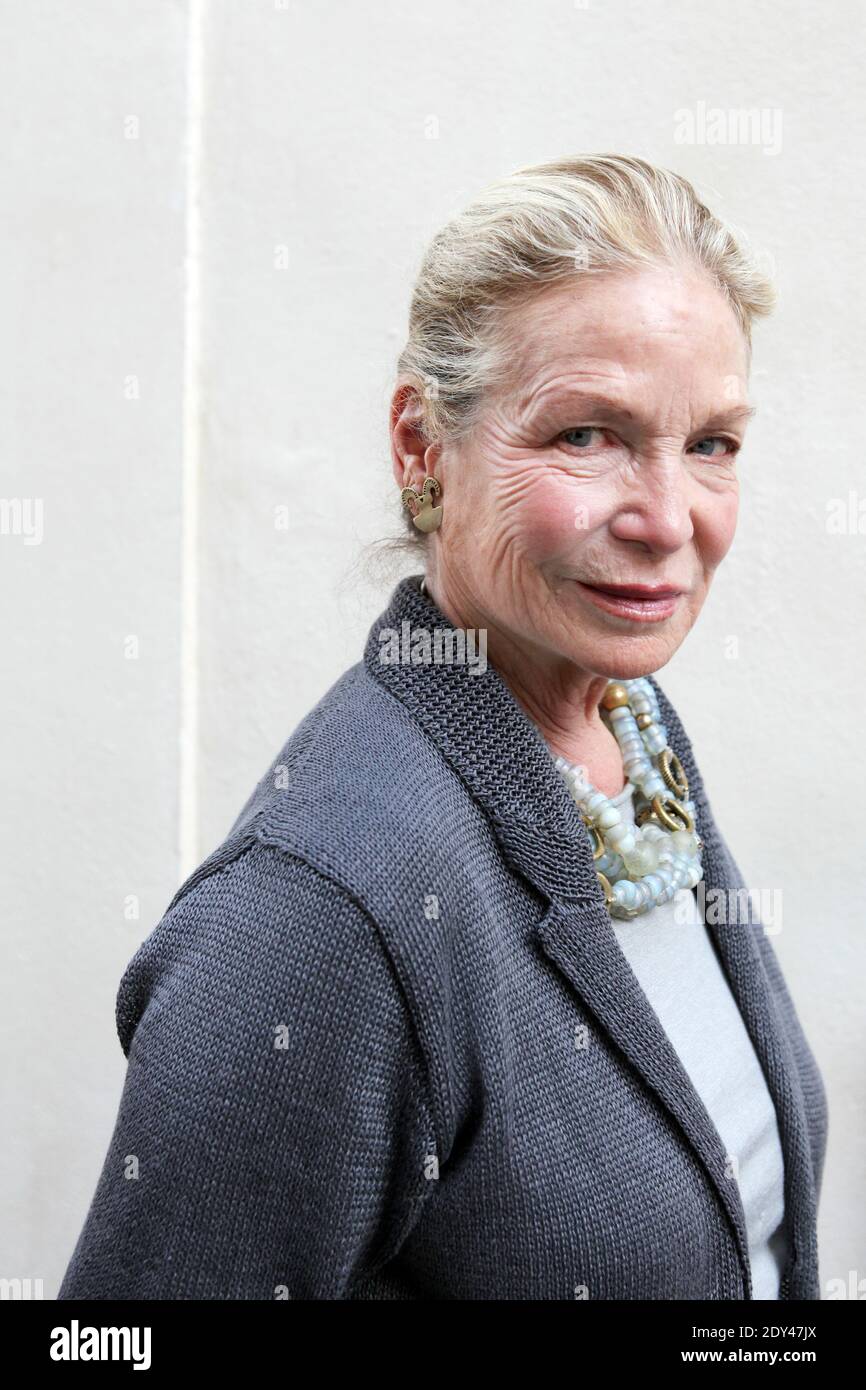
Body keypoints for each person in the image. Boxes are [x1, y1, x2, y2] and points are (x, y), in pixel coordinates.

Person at [58, 154, 827, 1301]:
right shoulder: (319, 912)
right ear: (422, 447)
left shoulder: (632, 742)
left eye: (709, 443)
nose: (669, 519)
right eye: (586, 435)